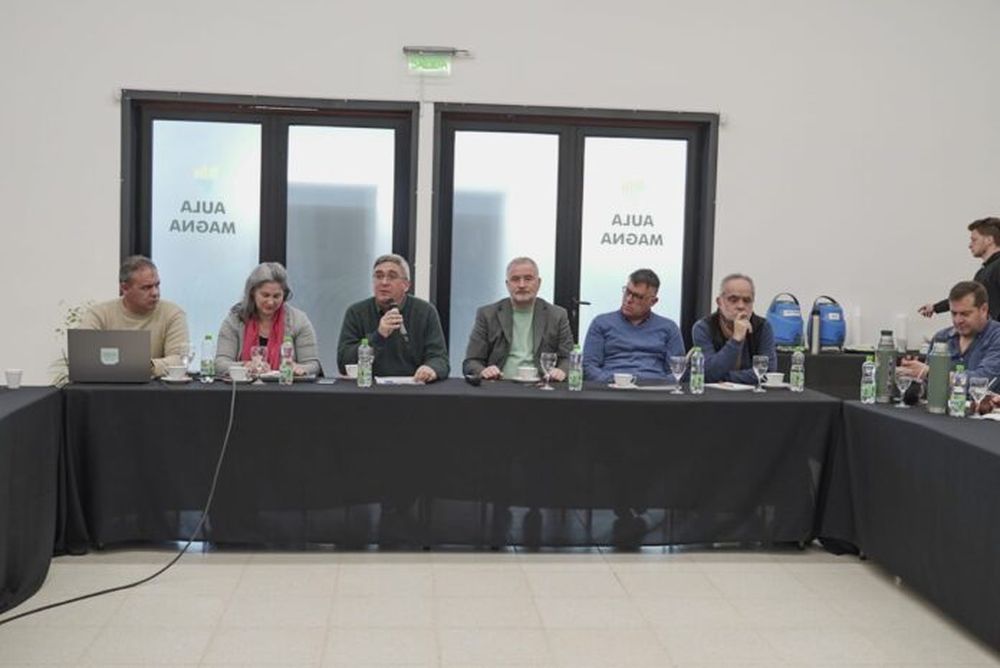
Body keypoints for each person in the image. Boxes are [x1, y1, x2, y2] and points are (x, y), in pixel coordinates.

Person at [337, 254, 449, 382]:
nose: (384, 282)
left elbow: (440, 359)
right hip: (368, 389)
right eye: (378, 276)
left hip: (413, 389)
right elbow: (343, 362)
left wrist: (430, 368)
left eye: (392, 276)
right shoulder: (356, 312)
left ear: (406, 285)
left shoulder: (425, 312)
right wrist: (378, 336)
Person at [463, 257, 574, 381]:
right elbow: (471, 361)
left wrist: (562, 371)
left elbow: (569, 358)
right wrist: (483, 371)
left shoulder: (557, 315)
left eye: (528, 279)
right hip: (500, 386)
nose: (522, 285)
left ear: (538, 283)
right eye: (515, 279)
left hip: (543, 387)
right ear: (507, 284)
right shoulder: (487, 314)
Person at [79, 255, 189, 378]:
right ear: (124, 288)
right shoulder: (99, 314)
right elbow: (83, 357)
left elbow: (180, 359)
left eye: (157, 285)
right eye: (146, 288)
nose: (155, 293)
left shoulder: (173, 314)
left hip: (155, 391)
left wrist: (149, 366)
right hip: (108, 389)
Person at [215, 262, 322, 377]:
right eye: (265, 295)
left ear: (284, 295)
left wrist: (300, 368)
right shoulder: (235, 320)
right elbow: (220, 364)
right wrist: (245, 366)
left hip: (286, 391)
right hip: (243, 391)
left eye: (276, 296)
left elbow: (313, 365)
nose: (271, 302)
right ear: (252, 293)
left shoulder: (299, 320)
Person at [582, 268, 685, 383]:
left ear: (653, 301)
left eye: (638, 296)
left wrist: (657, 386)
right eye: (627, 292)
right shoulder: (601, 323)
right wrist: (612, 382)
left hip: (654, 390)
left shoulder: (668, 328)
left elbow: (677, 370)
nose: (628, 299)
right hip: (612, 388)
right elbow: (588, 366)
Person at [901, 281, 1000, 381]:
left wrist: (931, 374)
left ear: (984, 309)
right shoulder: (941, 338)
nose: (958, 320)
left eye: (965, 314)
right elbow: (926, 385)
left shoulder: (996, 337)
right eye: (954, 313)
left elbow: (984, 380)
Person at [690, 273, 777, 383]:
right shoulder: (703, 327)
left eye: (747, 300)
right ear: (719, 302)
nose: (741, 306)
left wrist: (724, 377)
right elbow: (708, 373)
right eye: (733, 299)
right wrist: (736, 339)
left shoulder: (763, 327)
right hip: (714, 396)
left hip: (753, 396)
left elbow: (768, 373)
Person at [919, 217, 1000, 320]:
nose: (970, 245)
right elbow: (968, 298)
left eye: (974, 240)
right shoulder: (984, 272)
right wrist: (935, 307)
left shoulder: (996, 267)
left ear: (989, 240)